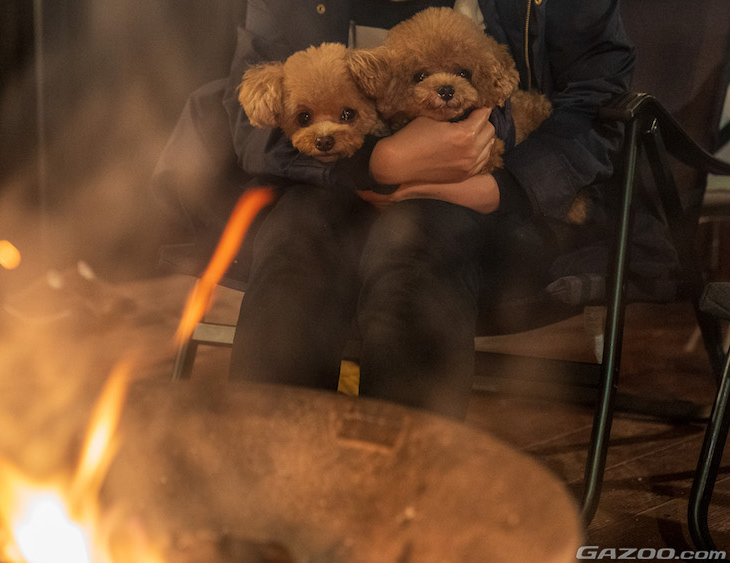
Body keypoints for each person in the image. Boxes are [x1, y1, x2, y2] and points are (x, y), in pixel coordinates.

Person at [153, 0, 675, 419]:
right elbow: (251, 113)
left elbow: (598, 95)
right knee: (298, 241)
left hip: (500, 206)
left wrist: (504, 187)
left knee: (418, 243)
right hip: (328, 186)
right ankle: (267, 485)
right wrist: (380, 161)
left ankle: (409, 496)